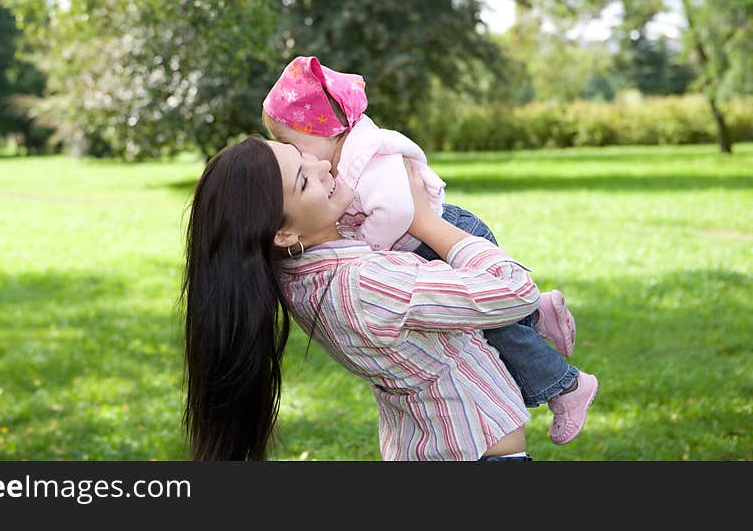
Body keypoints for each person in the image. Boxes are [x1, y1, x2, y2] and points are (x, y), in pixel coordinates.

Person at [261, 55, 598, 445]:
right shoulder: (346, 176)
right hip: (429, 239)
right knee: (493, 319)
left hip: (440, 232)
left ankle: (565, 386)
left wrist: (368, 245)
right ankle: (543, 317)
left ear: (321, 129)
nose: (309, 164)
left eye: (294, 147)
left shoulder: (365, 157)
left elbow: (401, 211)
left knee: (500, 325)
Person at [183, 134, 547, 460]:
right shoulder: (365, 284)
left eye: (301, 154)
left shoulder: (299, 276)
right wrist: (423, 220)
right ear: (283, 233)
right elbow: (516, 291)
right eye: (304, 179)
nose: (323, 164)